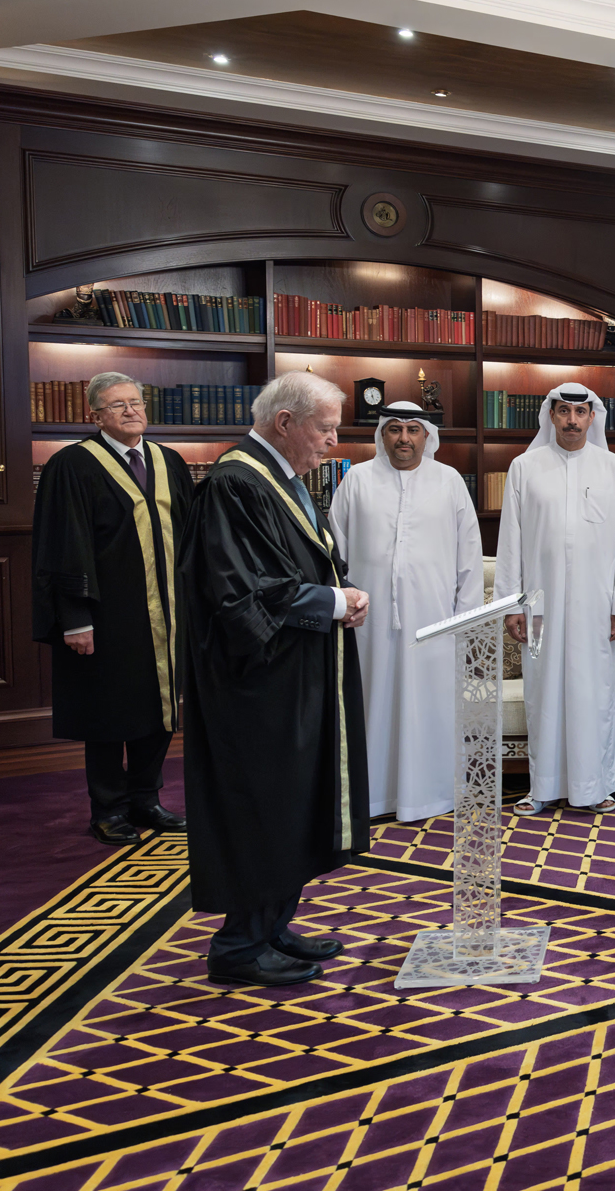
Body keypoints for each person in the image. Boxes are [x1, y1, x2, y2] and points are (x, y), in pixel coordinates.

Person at [180, 372, 370, 988]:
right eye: (325, 429)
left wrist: (339, 593)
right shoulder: (236, 482)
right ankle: (239, 946)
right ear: (285, 422)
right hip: (258, 683)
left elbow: (301, 563)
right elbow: (243, 590)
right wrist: (334, 603)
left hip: (295, 670)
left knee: (293, 800)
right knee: (265, 803)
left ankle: (271, 925)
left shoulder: (278, 478)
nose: (333, 442)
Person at [31, 371, 193, 845]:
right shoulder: (72, 465)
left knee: (159, 707)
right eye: (117, 405)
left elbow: (190, 533)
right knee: (106, 711)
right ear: (95, 415)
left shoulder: (168, 460)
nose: (131, 411)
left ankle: (145, 799)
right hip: (106, 614)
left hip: (169, 611)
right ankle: (108, 808)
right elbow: (62, 545)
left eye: (136, 402)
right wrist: (74, 619)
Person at [329, 403, 481, 823]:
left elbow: (470, 557)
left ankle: (431, 795)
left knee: (430, 707)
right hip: (368, 624)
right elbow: (334, 551)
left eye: (413, 430)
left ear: (427, 436)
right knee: (372, 704)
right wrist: (342, 604)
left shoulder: (449, 481)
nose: (403, 438)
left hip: (435, 622)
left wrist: (464, 621)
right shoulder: (357, 480)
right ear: (382, 435)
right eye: (395, 429)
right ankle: (372, 796)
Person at [495, 382, 615, 816]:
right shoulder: (524, 467)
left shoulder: (614, 468)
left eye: (580, 412)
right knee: (543, 690)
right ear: (551, 415)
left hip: (597, 605)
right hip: (539, 604)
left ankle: (597, 785)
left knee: (596, 690)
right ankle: (542, 787)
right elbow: (510, 541)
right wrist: (511, 605)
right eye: (564, 411)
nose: (572, 420)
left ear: (593, 417)